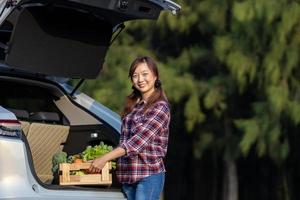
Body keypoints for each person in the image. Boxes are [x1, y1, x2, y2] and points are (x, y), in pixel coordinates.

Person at [89, 56, 171, 200]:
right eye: (135, 76)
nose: (140, 79)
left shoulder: (160, 108)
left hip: (148, 176)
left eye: (145, 74)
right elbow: (125, 140)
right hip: (128, 177)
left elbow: (136, 144)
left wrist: (105, 158)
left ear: (155, 76)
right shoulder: (134, 106)